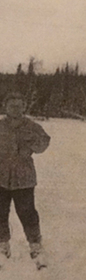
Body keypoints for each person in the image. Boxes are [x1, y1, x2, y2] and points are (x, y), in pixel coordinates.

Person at [0, 92, 51, 264]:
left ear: (24, 107)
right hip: (1, 178)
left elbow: (44, 142)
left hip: (24, 179)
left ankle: (35, 245)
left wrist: (31, 146)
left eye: (19, 105)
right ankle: (2, 245)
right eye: (11, 105)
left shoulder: (32, 126)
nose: (15, 108)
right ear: (5, 107)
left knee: (27, 213)